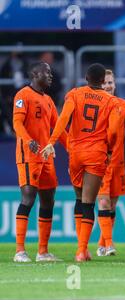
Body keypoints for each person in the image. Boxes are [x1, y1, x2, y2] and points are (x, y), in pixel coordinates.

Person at [41, 63, 121, 262]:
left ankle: (82, 249)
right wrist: (109, 150)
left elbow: (63, 119)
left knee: (79, 199)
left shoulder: (74, 94)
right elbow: (112, 131)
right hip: (96, 154)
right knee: (88, 203)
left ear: (86, 77)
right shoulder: (110, 101)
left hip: (76, 153)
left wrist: (51, 142)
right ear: (103, 81)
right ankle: (81, 251)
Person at [12, 62, 68, 263]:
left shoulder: (49, 101)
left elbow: (57, 128)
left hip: (46, 156)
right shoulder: (23, 95)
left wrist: (72, 148)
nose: (50, 75)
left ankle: (42, 252)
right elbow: (17, 123)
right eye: (47, 72)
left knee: (48, 200)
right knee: (28, 197)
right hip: (29, 155)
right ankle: (20, 251)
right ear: (35, 74)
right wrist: (29, 141)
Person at [96, 69, 125, 257]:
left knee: (112, 205)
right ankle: (109, 244)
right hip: (99, 162)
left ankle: (102, 243)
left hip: (118, 162)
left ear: (115, 84)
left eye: (110, 82)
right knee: (102, 201)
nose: (107, 86)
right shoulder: (93, 106)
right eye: (104, 83)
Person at [1, 51, 28, 135]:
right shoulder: (6, 65)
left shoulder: (26, 64)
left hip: (23, 95)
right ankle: (14, 130)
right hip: (10, 96)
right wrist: (8, 95)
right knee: (7, 107)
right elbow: (3, 83)